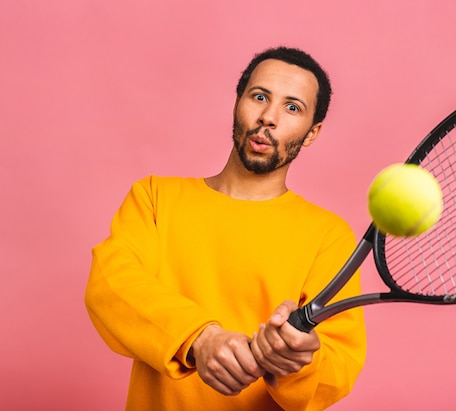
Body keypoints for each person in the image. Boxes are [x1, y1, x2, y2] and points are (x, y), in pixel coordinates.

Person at [85, 46, 367, 411]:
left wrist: (298, 362)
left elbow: (338, 369)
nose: (268, 117)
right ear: (238, 103)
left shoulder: (329, 235)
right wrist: (201, 339)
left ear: (311, 133)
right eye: (260, 96)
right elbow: (110, 287)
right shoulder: (155, 197)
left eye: (292, 107)